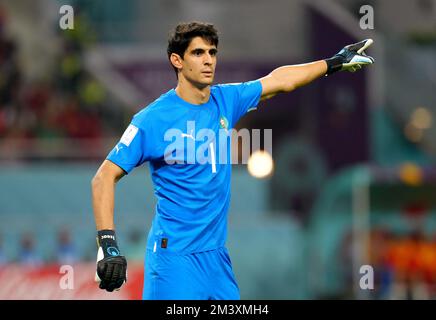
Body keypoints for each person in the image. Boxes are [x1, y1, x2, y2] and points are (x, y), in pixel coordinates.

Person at [91, 21, 374, 299]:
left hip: (216, 260)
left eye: (212, 53)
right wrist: (108, 244)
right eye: (198, 53)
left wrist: (333, 62)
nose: (208, 60)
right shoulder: (152, 119)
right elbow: (103, 177)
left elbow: (279, 81)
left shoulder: (225, 100)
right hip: (174, 260)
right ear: (177, 60)